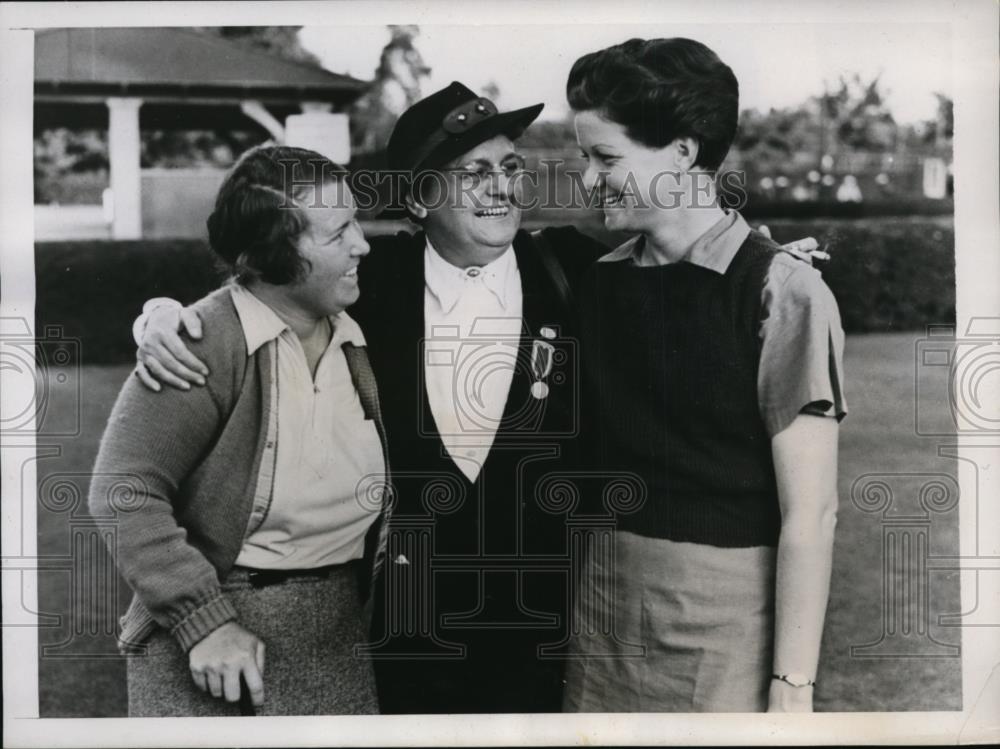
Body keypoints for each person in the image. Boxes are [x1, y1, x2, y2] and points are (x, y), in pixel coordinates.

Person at [130, 82, 818, 713]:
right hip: (399, 633)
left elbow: (687, 268)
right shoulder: (368, 285)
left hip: (553, 628)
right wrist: (161, 315)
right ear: (422, 198)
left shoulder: (575, 268)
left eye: (510, 169)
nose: (502, 189)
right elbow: (261, 290)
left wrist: (767, 256)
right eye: (475, 173)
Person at [564, 38, 846, 713]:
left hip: (725, 627)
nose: (587, 179)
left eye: (606, 158)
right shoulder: (599, 284)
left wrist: (792, 685)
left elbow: (812, 513)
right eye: (585, 157)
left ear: (684, 153)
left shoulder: (783, 291)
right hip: (601, 619)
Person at [88, 145, 392, 716]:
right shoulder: (201, 341)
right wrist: (204, 624)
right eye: (337, 232)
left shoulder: (358, 324)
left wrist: (152, 308)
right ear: (274, 254)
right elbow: (124, 491)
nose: (362, 244)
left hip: (337, 635)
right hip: (208, 645)